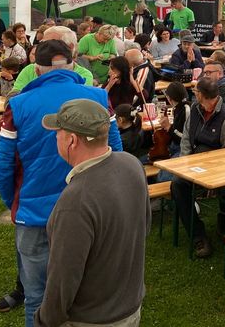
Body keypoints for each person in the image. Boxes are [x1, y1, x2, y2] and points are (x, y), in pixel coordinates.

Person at [0, 40, 122, 327]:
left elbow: (1, 166)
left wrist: (15, 201)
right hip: (89, 211)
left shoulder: (19, 103)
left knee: (37, 297)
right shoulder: (99, 97)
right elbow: (115, 153)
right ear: (73, 63)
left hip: (34, 214)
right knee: (86, 292)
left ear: (36, 68)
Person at [35, 99, 149, 327]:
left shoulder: (76, 199)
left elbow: (63, 278)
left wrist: (45, 320)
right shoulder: (132, 164)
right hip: (129, 308)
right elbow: (144, 227)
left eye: (58, 132)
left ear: (72, 140)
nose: (55, 137)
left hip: (91, 319)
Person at [170, 77, 225, 258]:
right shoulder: (195, 109)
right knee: (177, 184)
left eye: (196, 91)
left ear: (202, 95)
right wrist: (183, 163)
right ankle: (198, 235)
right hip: (192, 165)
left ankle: (223, 223)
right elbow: (186, 137)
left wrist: (211, 173)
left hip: (215, 172)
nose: (194, 94)